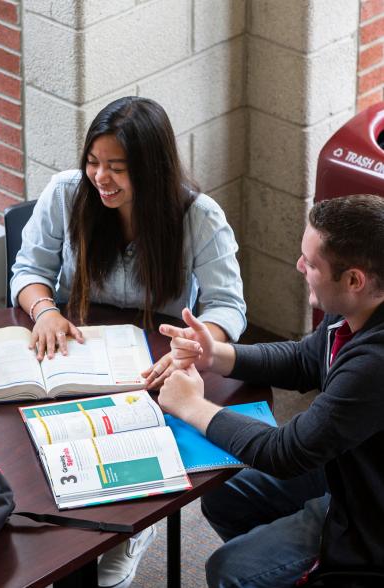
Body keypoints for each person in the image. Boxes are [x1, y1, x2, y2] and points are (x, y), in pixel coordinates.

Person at [10, 96, 247, 588]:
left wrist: (198, 342)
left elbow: (228, 306)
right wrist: (45, 310)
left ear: (152, 169)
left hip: (156, 357)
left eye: (117, 168)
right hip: (76, 348)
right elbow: (29, 270)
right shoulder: (66, 193)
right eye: (94, 163)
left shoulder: (198, 216)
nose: (101, 179)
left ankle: (125, 530)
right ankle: (73, 543)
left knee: (131, 438)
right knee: (51, 446)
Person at [159, 194, 384, 587]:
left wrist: (191, 405)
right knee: (224, 497)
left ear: (354, 280)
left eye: (311, 263)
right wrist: (218, 355)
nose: (299, 266)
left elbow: (285, 453)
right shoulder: (356, 308)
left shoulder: (374, 365)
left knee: (230, 571)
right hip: (347, 466)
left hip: (369, 516)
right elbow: (305, 359)